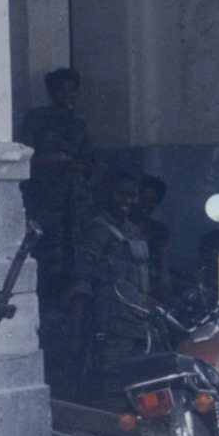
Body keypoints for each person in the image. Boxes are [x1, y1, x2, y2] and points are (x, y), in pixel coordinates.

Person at [69, 171, 155, 402]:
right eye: (121, 194)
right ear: (108, 194)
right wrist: (76, 335)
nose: (128, 201)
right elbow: (82, 283)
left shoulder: (132, 231)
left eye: (133, 196)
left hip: (139, 328)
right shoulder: (97, 231)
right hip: (111, 330)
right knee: (114, 394)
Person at [17, 68, 95, 292]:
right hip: (45, 199)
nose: (67, 95)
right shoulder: (37, 119)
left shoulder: (78, 125)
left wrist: (80, 167)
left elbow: (90, 160)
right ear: (51, 92)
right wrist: (59, 167)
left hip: (74, 201)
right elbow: (26, 156)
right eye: (62, 90)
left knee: (74, 256)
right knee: (48, 256)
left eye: (72, 90)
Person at [131, 175, 173, 299]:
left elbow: (163, 284)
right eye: (143, 199)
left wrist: (162, 255)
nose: (147, 205)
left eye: (153, 201)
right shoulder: (119, 227)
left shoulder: (159, 231)